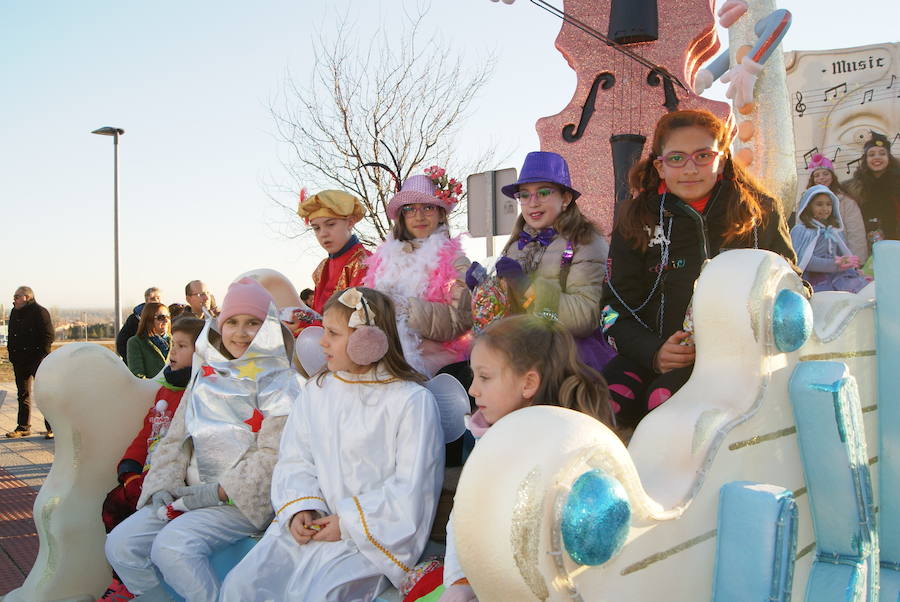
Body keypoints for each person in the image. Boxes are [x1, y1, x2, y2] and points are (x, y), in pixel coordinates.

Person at [220, 287, 443, 602]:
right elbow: (296, 458)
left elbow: (412, 487)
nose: (321, 341)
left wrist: (348, 524)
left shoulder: (410, 402)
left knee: (323, 594)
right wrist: (301, 507)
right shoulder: (318, 391)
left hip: (368, 540)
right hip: (313, 525)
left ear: (367, 340)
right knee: (242, 585)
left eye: (333, 333)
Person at [104, 278, 298, 602]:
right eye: (233, 322)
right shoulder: (207, 375)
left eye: (253, 323)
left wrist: (219, 492)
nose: (240, 332)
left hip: (238, 500)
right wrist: (163, 484)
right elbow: (176, 438)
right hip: (188, 493)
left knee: (173, 548)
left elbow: (273, 453)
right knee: (120, 545)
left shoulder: (280, 381)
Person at [601, 109, 797, 428]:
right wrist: (653, 351)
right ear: (660, 167)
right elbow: (610, 311)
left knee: (667, 406)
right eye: (677, 158)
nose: (690, 169)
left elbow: (795, 290)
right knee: (604, 402)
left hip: (739, 361)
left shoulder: (760, 213)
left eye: (703, 155)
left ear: (722, 159)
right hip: (653, 355)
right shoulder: (637, 219)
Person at [438, 315, 612, 602]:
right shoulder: (489, 440)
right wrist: (462, 580)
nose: (473, 390)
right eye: (473, 377)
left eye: (485, 377)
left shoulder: (568, 452)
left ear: (528, 383)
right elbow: (463, 518)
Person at [469, 151, 612, 372]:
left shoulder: (586, 241)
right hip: (521, 355)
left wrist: (528, 287)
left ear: (565, 199)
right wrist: (484, 289)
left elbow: (586, 316)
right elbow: (506, 313)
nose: (532, 203)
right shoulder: (516, 244)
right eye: (524, 195)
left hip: (568, 359)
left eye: (543, 193)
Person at [98, 316, 204, 600]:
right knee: (113, 504)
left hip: (171, 483)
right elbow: (147, 432)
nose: (173, 352)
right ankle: (123, 580)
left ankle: (131, 582)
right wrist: (129, 471)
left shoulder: (201, 395)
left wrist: (148, 481)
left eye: (182, 346)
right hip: (145, 477)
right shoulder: (166, 390)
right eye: (173, 344)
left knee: (125, 514)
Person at [365, 169, 472, 377]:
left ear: (441, 213)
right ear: (402, 217)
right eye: (410, 209)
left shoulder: (456, 261)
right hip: (387, 354)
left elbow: (460, 320)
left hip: (435, 362)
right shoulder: (382, 259)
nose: (419, 216)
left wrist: (405, 308)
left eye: (428, 208)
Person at [298, 190, 371, 314]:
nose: (323, 234)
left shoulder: (364, 262)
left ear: (350, 222)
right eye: (316, 228)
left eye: (330, 224)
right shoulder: (322, 268)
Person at [791, 185, 869, 293]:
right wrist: (835, 264)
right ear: (808, 206)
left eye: (829, 204)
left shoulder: (833, 231)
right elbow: (804, 261)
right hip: (814, 279)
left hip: (836, 276)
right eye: (819, 204)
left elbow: (839, 254)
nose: (825, 209)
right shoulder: (801, 231)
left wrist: (848, 264)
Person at [5, 286, 54, 439]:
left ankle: (52, 427)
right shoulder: (14, 312)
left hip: (37, 360)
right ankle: (23, 427)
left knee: (44, 395)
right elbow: (11, 335)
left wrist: (41, 356)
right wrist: (12, 354)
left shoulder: (40, 312)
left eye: (16, 296)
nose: (14, 299)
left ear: (26, 297)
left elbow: (48, 336)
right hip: (19, 361)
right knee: (22, 394)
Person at [805, 154, 867, 262]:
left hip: (842, 257)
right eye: (817, 175)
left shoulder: (846, 202)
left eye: (825, 173)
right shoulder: (805, 202)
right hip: (815, 259)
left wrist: (856, 261)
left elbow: (856, 233)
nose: (821, 178)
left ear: (832, 176)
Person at [845, 131, 900, 241]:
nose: (877, 157)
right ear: (866, 159)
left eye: (882, 153)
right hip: (866, 245)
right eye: (871, 154)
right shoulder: (853, 188)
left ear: (889, 157)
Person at [125, 303, 171, 379]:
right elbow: (138, 375)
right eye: (161, 317)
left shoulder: (176, 341)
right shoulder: (135, 342)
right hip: (149, 389)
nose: (166, 320)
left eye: (168, 316)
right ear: (148, 319)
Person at [116, 287, 162, 359]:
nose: (156, 301)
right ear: (146, 301)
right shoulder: (134, 319)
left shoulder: (165, 318)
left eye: (158, 298)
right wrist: (132, 359)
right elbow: (121, 342)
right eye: (153, 298)